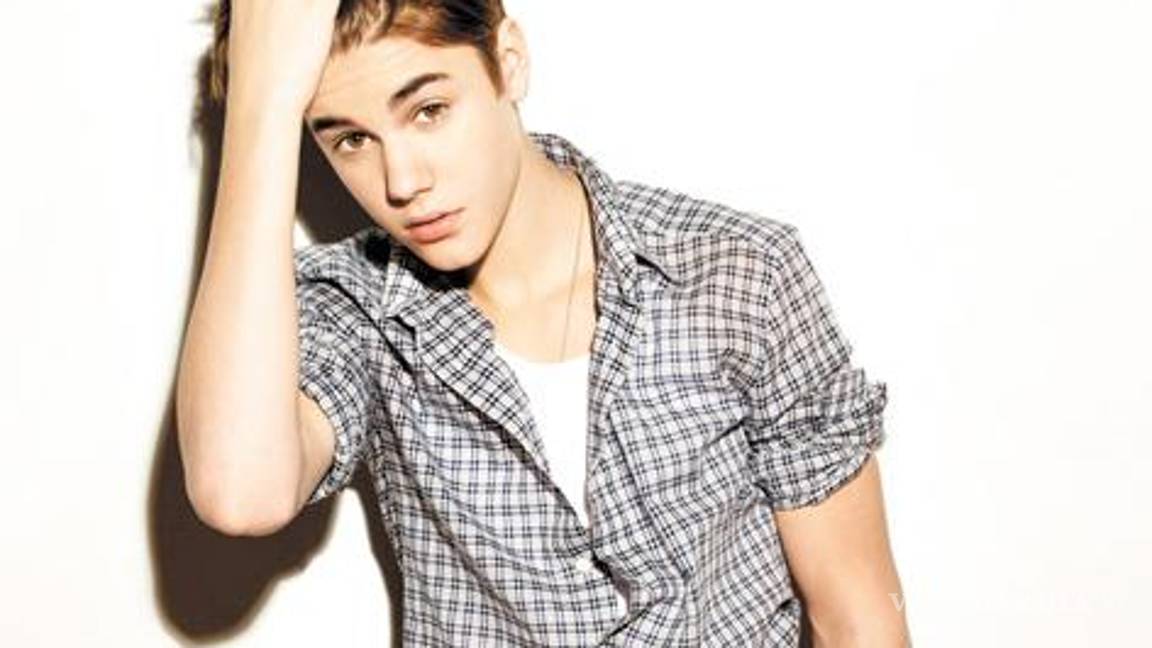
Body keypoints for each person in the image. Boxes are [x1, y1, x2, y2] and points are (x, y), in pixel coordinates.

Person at [176, 0, 911, 645]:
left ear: (509, 60)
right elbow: (240, 492)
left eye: (429, 110)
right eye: (350, 140)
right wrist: (261, 107)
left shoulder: (737, 277)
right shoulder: (357, 309)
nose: (402, 182)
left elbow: (857, 621)